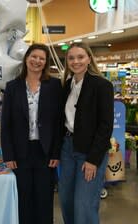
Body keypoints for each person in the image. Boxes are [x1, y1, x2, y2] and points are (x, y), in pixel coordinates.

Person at [1, 43, 62, 224]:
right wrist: (8, 154)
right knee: (23, 197)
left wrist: (56, 152)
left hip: (45, 152)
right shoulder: (13, 87)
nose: (37, 61)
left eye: (41, 58)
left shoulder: (54, 85)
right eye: (33, 57)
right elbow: (6, 124)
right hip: (21, 152)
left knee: (44, 198)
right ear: (26, 58)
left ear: (45, 62)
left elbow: (59, 123)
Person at [58, 42, 114, 224]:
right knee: (66, 200)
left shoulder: (102, 85)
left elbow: (105, 126)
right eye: (71, 58)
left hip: (90, 151)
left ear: (89, 59)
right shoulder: (67, 85)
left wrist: (93, 159)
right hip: (67, 149)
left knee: (84, 204)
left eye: (80, 57)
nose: (76, 61)